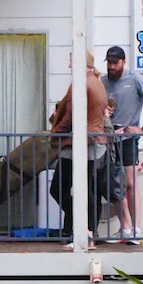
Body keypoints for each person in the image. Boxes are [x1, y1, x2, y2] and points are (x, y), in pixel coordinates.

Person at [102, 45, 143, 244]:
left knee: (130, 182)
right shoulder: (102, 82)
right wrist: (103, 113)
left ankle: (136, 229)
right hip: (108, 138)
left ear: (123, 62)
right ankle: (125, 228)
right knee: (113, 185)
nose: (112, 67)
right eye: (109, 63)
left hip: (128, 139)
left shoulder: (134, 79)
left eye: (115, 63)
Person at [49, 50, 110, 251]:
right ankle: (81, 230)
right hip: (92, 141)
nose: (69, 66)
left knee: (60, 187)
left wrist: (56, 132)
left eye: (72, 62)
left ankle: (84, 230)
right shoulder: (96, 82)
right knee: (88, 188)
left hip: (81, 142)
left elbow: (73, 115)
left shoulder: (82, 82)